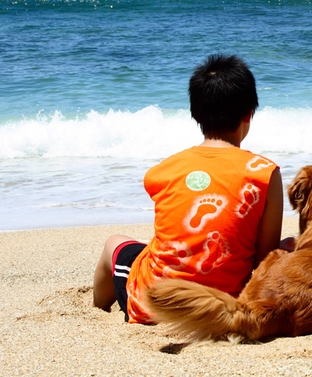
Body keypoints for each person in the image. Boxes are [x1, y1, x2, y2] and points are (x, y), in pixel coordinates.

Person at [92, 54, 284, 324]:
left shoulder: (164, 169)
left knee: (115, 243)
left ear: (195, 115)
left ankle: (97, 308)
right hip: (224, 307)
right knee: (287, 247)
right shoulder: (265, 172)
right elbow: (264, 261)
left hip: (155, 306)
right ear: (248, 114)